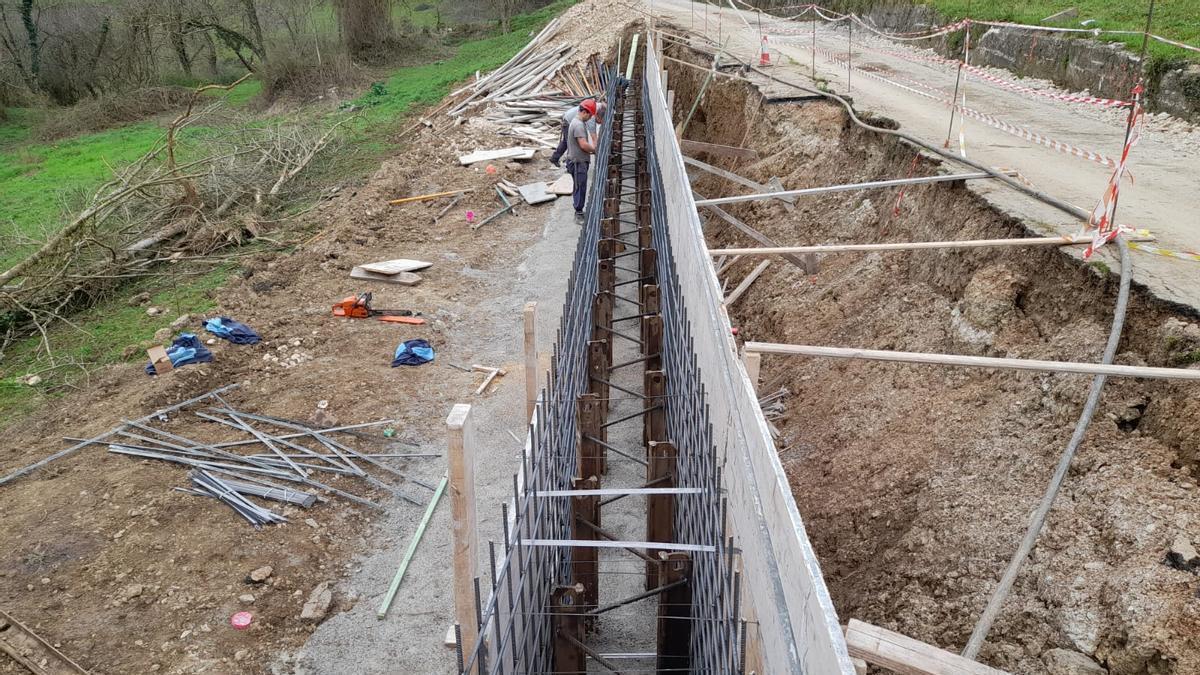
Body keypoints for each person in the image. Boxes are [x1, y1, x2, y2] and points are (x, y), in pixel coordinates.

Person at [564, 99, 598, 219]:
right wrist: (595, 150)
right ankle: (578, 212)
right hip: (577, 162)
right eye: (590, 115)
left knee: (579, 186)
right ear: (585, 112)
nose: (590, 118)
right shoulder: (578, 124)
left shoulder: (577, 121)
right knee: (580, 187)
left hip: (578, 161)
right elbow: (583, 145)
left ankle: (578, 209)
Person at [550, 99, 605, 167]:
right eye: (600, 122)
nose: (600, 123)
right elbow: (594, 136)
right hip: (568, 121)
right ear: (597, 116)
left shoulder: (600, 108)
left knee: (566, 142)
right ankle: (570, 164)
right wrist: (596, 150)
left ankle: (554, 158)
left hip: (569, 116)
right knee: (571, 144)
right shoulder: (591, 115)